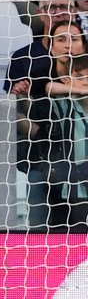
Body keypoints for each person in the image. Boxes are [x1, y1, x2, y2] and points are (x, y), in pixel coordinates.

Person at [8, 4, 78, 229]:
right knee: (42, 233)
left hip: (82, 162)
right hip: (41, 160)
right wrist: (40, 133)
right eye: (51, 7)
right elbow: (12, 109)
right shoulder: (27, 61)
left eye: (65, 6)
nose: (59, 11)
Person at [43, 51, 88, 231]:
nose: (86, 80)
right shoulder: (65, 106)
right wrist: (80, 91)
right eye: (80, 76)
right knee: (74, 236)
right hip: (74, 189)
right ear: (67, 81)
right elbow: (49, 87)